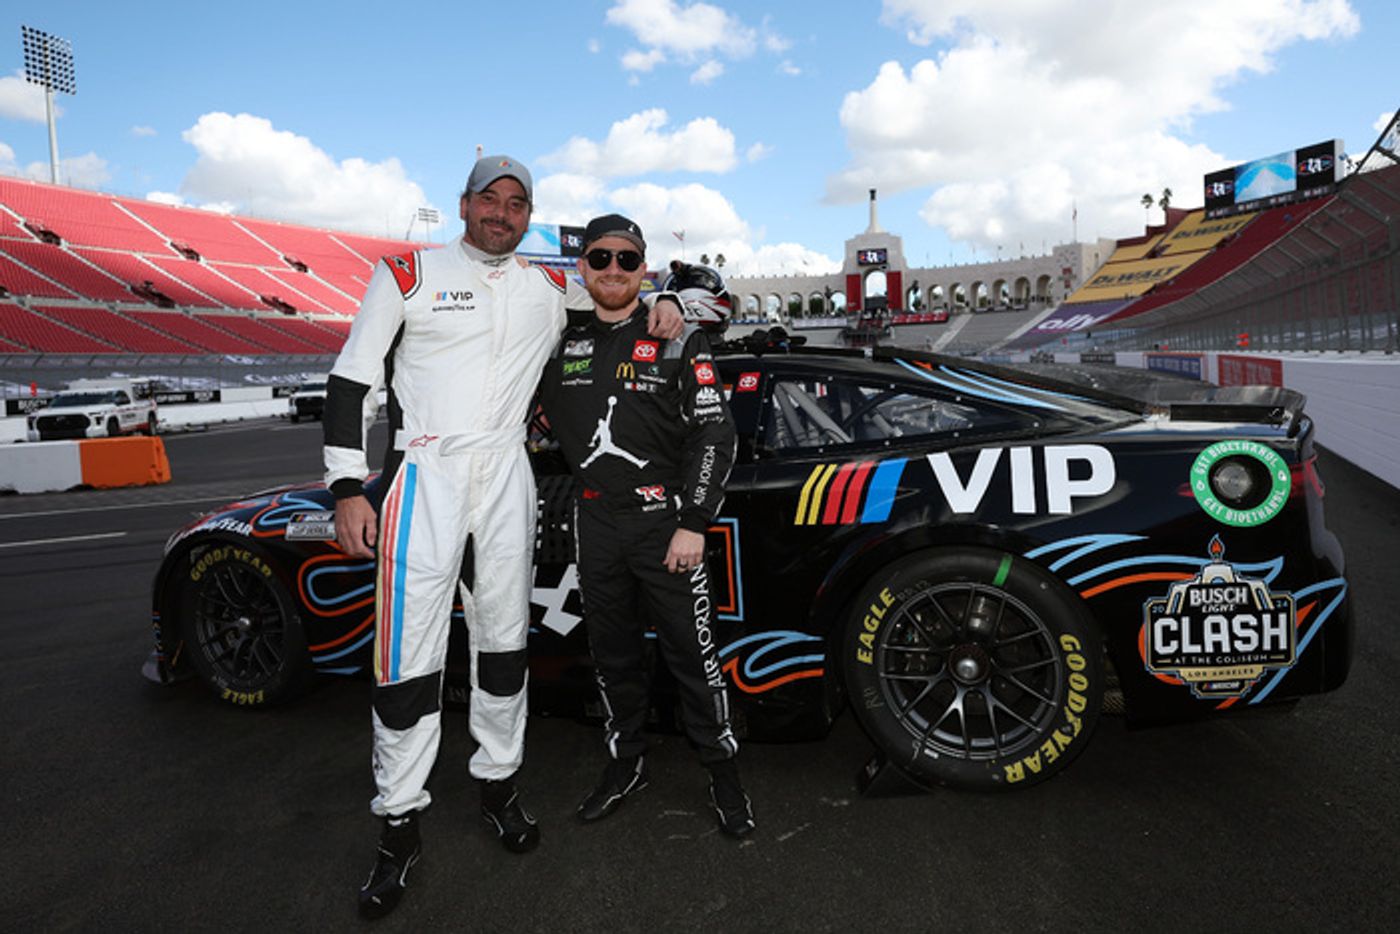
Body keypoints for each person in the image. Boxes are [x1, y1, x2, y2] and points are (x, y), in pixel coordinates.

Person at [324, 157, 683, 919]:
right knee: (406, 660)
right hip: (423, 473)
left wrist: (669, 298)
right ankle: (398, 824)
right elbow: (352, 381)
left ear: (528, 216)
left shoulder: (548, 287)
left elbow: (618, 292)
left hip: (506, 474)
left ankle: (499, 786)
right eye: (490, 199)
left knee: (504, 646)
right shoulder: (406, 273)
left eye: (517, 203)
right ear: (464, 205)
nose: (502, 212)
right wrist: (347, 486)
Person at [538, 214, 756, 839]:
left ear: (644, 268)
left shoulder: (676, 335)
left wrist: (693, 522)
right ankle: (626, 764)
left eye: (627, 260)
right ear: (582, 266)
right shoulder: (556, 337)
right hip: (594, 521)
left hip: (666, 523)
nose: (613, 269)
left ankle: (723, 774)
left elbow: (715, 434)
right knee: (612, 657)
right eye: (600, 258)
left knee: (694, 657)